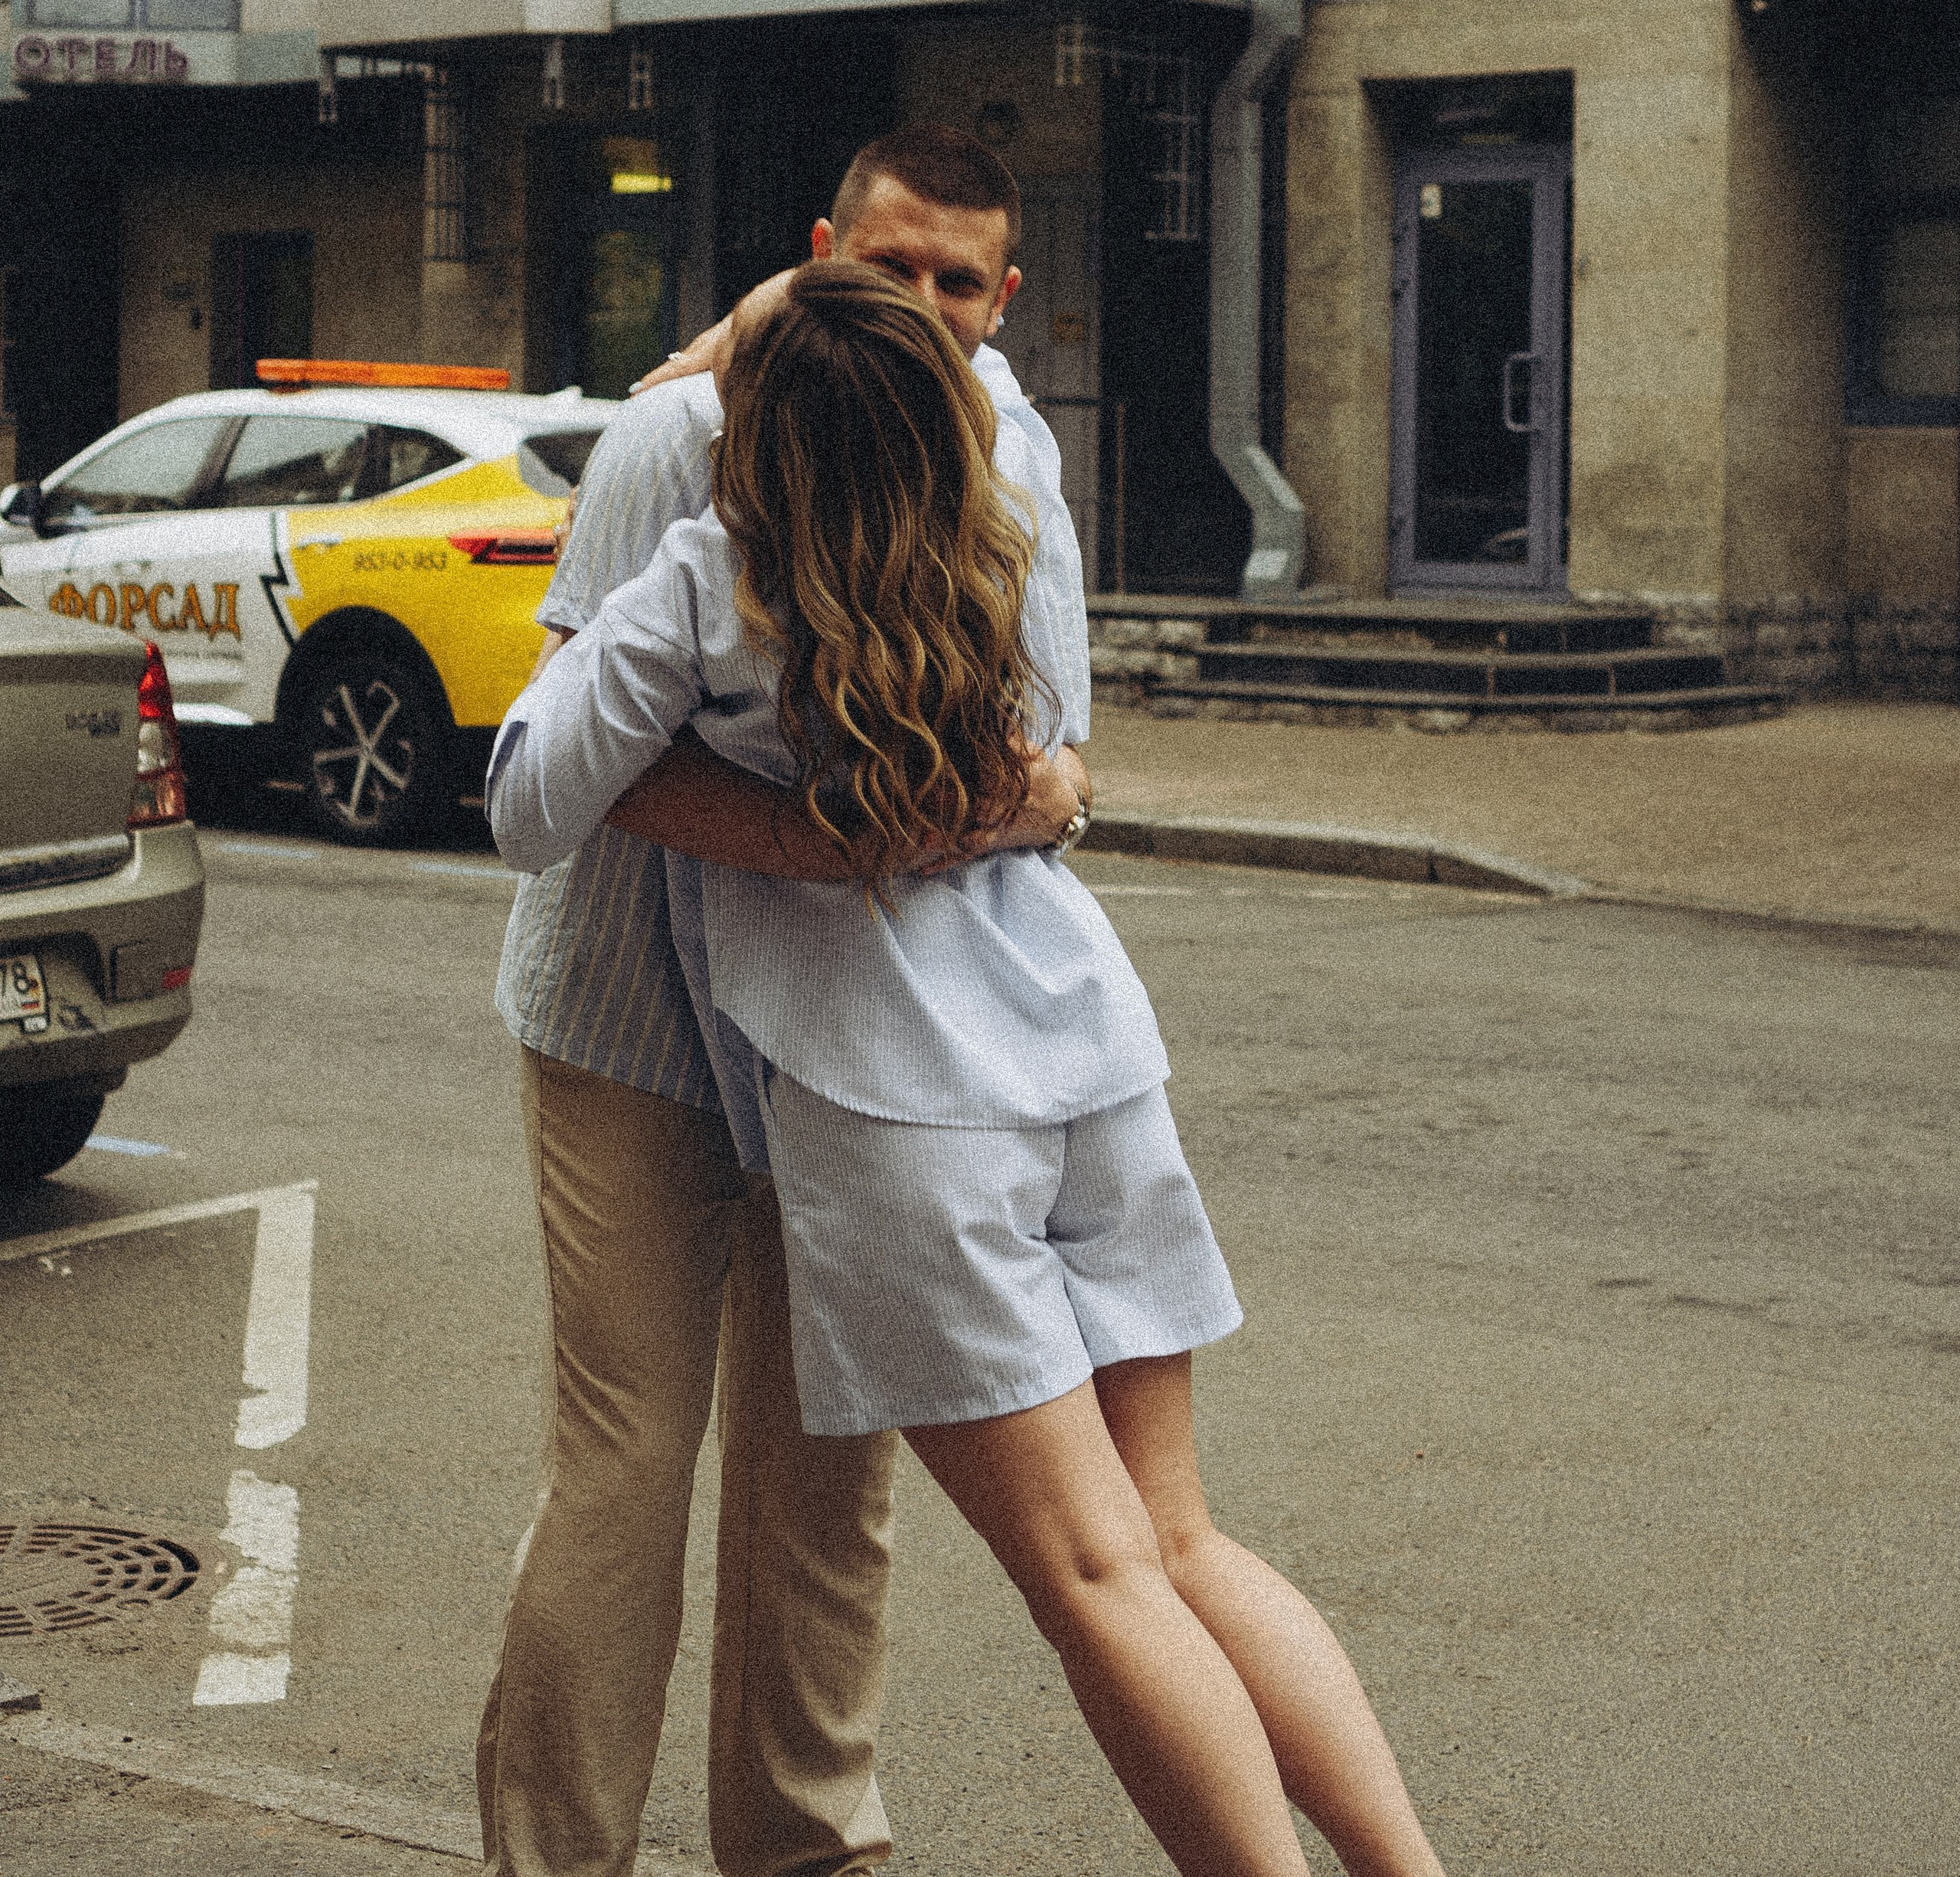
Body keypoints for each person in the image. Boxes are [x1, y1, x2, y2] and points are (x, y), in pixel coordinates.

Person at [491, 264, 1451, 1877]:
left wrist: (779, 819)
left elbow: (527, 803)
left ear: (751, 441)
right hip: (1083, 1056)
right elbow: (1052, 753)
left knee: (1092, 1576)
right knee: (1177, 1538)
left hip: (895, 1109)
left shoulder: (709, 579)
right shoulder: (996, 537)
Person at [477, 126, 1090, 1877]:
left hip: (846, 1047)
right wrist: (829, 844)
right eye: (880, 265)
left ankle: (808, 1853)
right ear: (819, 251)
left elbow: (1054, 757)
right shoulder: (681, 438)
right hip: (631, 1028)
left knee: (831, 1490)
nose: (912, 304)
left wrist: (1037, 800)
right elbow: (553, 768)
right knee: (623, 1473)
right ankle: (553, 1856)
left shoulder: (1016, 462)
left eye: (950, 280)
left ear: (1000, 301)